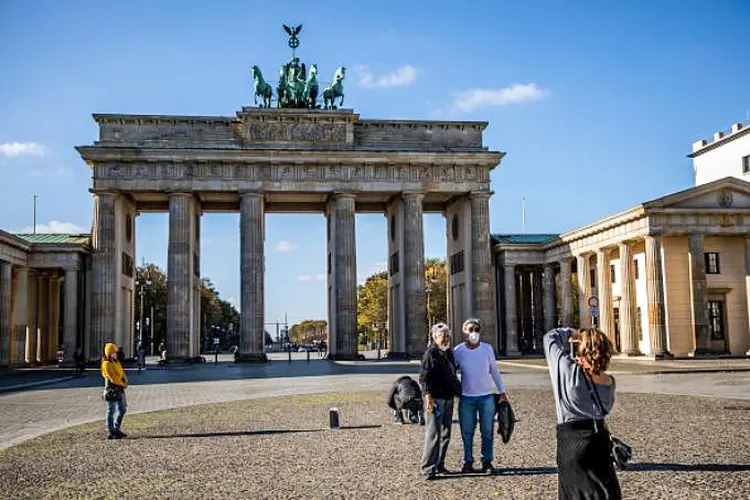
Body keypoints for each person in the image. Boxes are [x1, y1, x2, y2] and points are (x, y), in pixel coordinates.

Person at [543, 327, 621, 499]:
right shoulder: (609, 382)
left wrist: (572, 332)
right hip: (599, 442)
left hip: (572, 443)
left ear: (581, 349)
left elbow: (550, 338)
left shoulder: (567, 371)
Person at [453, 318, 507, 474]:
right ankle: (467, 462)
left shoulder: (487, 348)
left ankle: (487, 462)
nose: (474, 332)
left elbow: (494, 371)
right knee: (467, 433)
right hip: (466, 397)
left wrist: (502, 391)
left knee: (487, 431)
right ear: (464, 332)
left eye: (476, 329)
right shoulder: (458, 351)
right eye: (470, 329)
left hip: (487, 397)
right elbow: (450, 371)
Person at [419, 323, 461, 481]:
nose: (446, 339)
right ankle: (427, 469)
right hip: (435, 399)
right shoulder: (431, 354)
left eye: (448, 336)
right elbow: (424, 377)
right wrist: (427, 396)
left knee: (445, 434)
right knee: (433, 434)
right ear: (435, 338)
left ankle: (439, 464)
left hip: (448, 397)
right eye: (443, 336)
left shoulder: (448, 353)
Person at [101, 342, 129, 439]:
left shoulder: (116, 362)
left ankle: (116, 428)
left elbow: (121, 373)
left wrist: (125, 380)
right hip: (111, 389)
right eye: (113, 352)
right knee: (111, 410)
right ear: (109, 353)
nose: (115, 354)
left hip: (120, 389)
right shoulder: (106, 363)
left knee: (123, 409)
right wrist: (123, 383)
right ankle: (110, 430)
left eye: (115, 352)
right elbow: (113, 377)